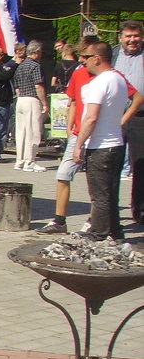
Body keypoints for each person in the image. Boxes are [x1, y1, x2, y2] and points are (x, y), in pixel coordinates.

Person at [74, 42, 130, 240]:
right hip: (116, 143)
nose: (84, 61)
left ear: (97, 58)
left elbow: (91, 117)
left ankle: (98, 232)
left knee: (99, 194)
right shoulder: (119, 79)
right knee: (111, 192)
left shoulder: (99, 82)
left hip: (101, 145)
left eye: (86, 57)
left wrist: (79, 144)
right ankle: (115, 230)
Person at [113, 19, 144, 222]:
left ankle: (140, 210)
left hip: (140, 116)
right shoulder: (112, 53)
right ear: (120, 38)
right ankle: (109, 211)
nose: (132, 40)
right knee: (112, 163)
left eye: (136, 36)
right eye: (128, 36)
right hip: (114, 116)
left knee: (140, 164)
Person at [12, 40, 47, 172]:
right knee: (33, 132)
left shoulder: (20, 66)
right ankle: (30, 161)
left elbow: (17, 88)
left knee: (21, 132)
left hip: (20, 100)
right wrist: (44, 103)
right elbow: (38, 85)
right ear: (37, 52)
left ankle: (19, 160)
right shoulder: (35, 66)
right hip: (32, 99)